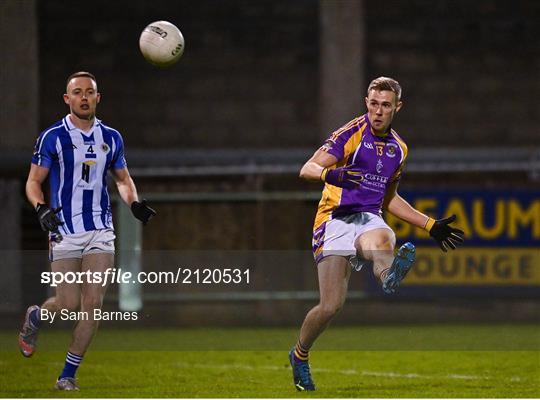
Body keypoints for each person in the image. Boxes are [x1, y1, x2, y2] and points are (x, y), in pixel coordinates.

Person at [288, 77, 464, 391]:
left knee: (383, 239)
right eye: (373, 104)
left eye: (385, 105)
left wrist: (429, 225)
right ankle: (300, 355)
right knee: (330, 306)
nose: (377, 111)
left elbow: (389, 198)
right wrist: (332, 173)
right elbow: (307, 169)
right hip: (334, 220)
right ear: (366, 102)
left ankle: (389, 275)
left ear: (398, 107)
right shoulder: (350, 135)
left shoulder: (399, 149)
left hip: (368, 217)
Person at [18, 71, 156, 391]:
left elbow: (122, 179)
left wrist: (134, 203)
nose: (83, 97)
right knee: (67, 304)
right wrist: (41, 208)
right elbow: (33, 181)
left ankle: (67, 375)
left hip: (100, 231)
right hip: (65, 230)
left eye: (89, 92)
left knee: (92, 304)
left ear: (97, 98)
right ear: (67, 99)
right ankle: (36, 316)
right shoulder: (52, 137)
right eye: (77, 92)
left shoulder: (111, 137)